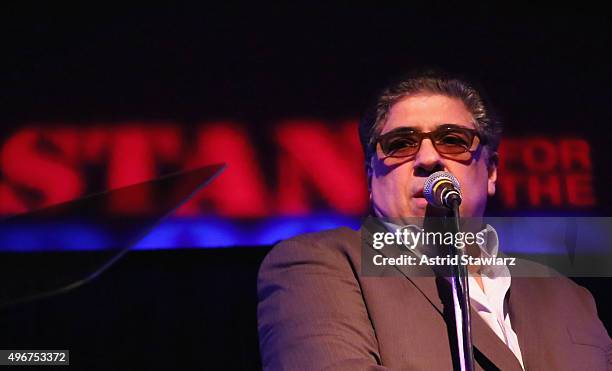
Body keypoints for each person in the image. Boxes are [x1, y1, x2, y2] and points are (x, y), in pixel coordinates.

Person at [257, 70, 612, 370]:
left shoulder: (570, 296)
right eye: (400, 143)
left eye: (453, 140)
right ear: (369, 177)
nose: (428, 158)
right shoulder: (321, 264)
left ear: (491, 172)